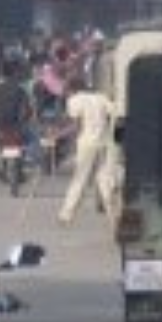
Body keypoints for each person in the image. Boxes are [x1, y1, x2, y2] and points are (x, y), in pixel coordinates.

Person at [57, 76, 116, 226]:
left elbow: (76, 126)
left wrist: (57, 135)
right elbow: (114, 115)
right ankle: (113, 215)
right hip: (105, 142)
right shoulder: (100, 97)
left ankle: (66, 214)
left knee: (80, 178)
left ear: (71, 89)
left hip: (86, 143)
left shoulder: (74, 100)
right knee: (105, 178)